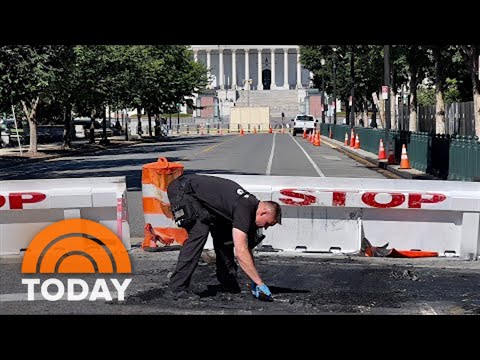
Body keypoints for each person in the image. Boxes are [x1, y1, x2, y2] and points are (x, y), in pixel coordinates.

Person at [165, 174, 282, 300]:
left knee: (225, 236)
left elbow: (246, 247)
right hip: (182, 191)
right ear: (264, 212)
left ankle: (228, 283)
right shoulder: (245, 208)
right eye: (268, 223)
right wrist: (259, 283)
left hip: (198, 198)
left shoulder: (250, 207)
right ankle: (176, 288)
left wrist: (253, 278)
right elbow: (241, 251)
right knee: (199, 233)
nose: (265, 228)